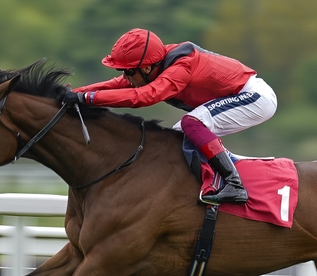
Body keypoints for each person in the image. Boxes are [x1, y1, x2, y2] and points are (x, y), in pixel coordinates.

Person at [64, 28, 278, 204]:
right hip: (241, 95)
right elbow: (116, 84)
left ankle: (235, 184)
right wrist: (75, 93)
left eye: (129, 71)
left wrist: (88, 99)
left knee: (191, 123)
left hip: (254, 96)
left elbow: (145, 97)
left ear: (146, 68)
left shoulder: (180, 67)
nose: (125, 76)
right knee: (176, 138)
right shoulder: (155, 66)